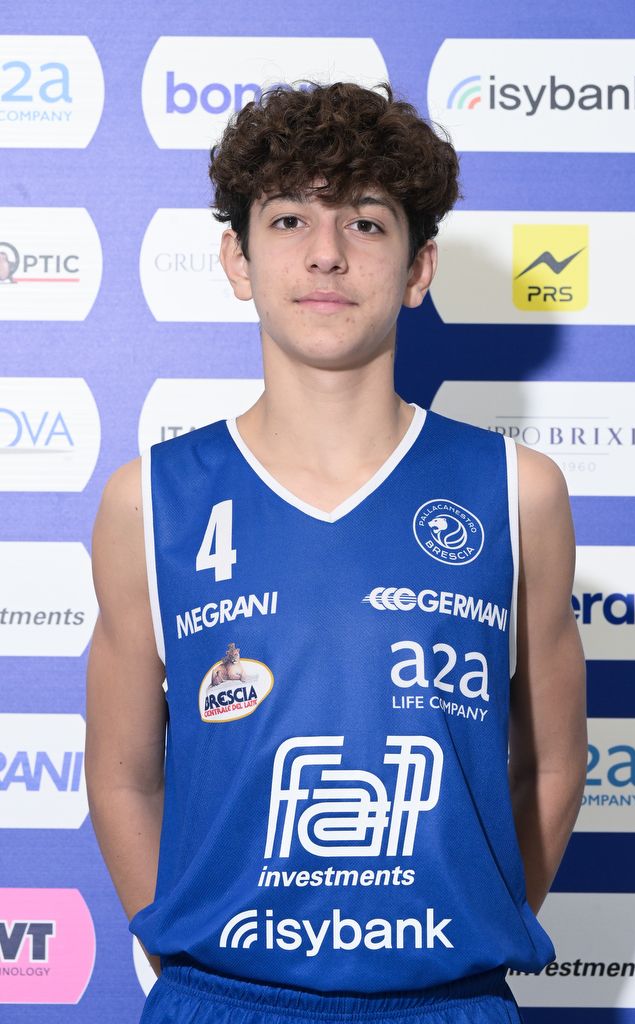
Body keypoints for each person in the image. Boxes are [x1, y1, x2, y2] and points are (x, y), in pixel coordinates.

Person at [85, 80, 587, 1024]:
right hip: (220, 999)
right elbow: (121, 774)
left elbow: (553, 764)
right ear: (236, 259)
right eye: (287, 220)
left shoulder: (517, 491)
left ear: (418, 268)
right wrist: (194, 954)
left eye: (364, 221)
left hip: (447, 1002)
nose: (325, 252)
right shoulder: (149, 501)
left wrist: (466, 931)